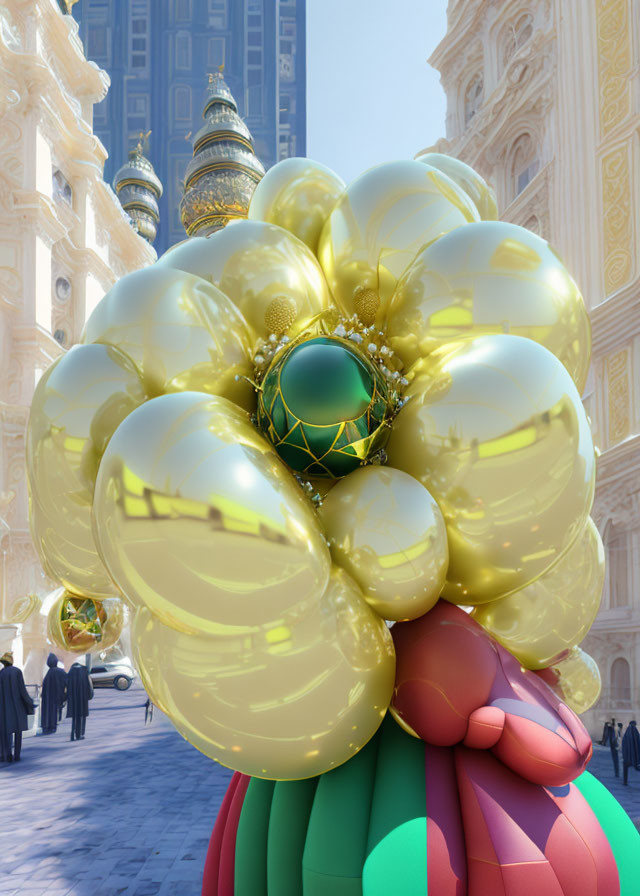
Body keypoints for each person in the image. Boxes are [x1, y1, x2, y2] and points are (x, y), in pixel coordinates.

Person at [0, 652, 35, 762]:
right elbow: (22, 691)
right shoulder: (17, 672)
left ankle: (6, 754)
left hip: (4, 708)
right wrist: (30, 702)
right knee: (18, 732)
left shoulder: (1, 673)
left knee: (5, 732)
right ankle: (17, 755)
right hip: (17, 707)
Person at [40, 653, 67, 735]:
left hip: (48, 698)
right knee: (55, 711)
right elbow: (67, 683)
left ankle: (47, 726)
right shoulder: (61, 672)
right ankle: (52, 726)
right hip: (58, 696)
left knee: (48, 710)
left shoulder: (48, 674)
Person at [66, 662, 93, 741]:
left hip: (73, 698)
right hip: (83, 697)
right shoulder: (85, 671)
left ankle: (73, 732)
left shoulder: (70, 672)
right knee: (82, 715)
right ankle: (80, 733)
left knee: (75, 716)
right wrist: (89, 695)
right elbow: (89, 684)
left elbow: (66, 685)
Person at [622, 719, 640, 785]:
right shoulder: (636, 733)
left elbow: (624, 745)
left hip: (628, 758)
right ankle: (625, 782)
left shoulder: (627, 733)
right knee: (635, 767)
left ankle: (625, 782)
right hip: (635, 758)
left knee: (626, 767)